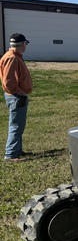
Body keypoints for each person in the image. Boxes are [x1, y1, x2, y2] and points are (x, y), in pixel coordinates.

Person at [0, 33, 32, 161]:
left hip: (16, 96)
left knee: (18, 124)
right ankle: (11, 154)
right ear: (22, 44)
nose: (26, 46)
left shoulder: (14, 56)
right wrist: (21, 93)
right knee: (16, 126)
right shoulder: (12, 58)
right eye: (26, 44)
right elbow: (8, 82)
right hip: (16, 97)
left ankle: (17, 150)